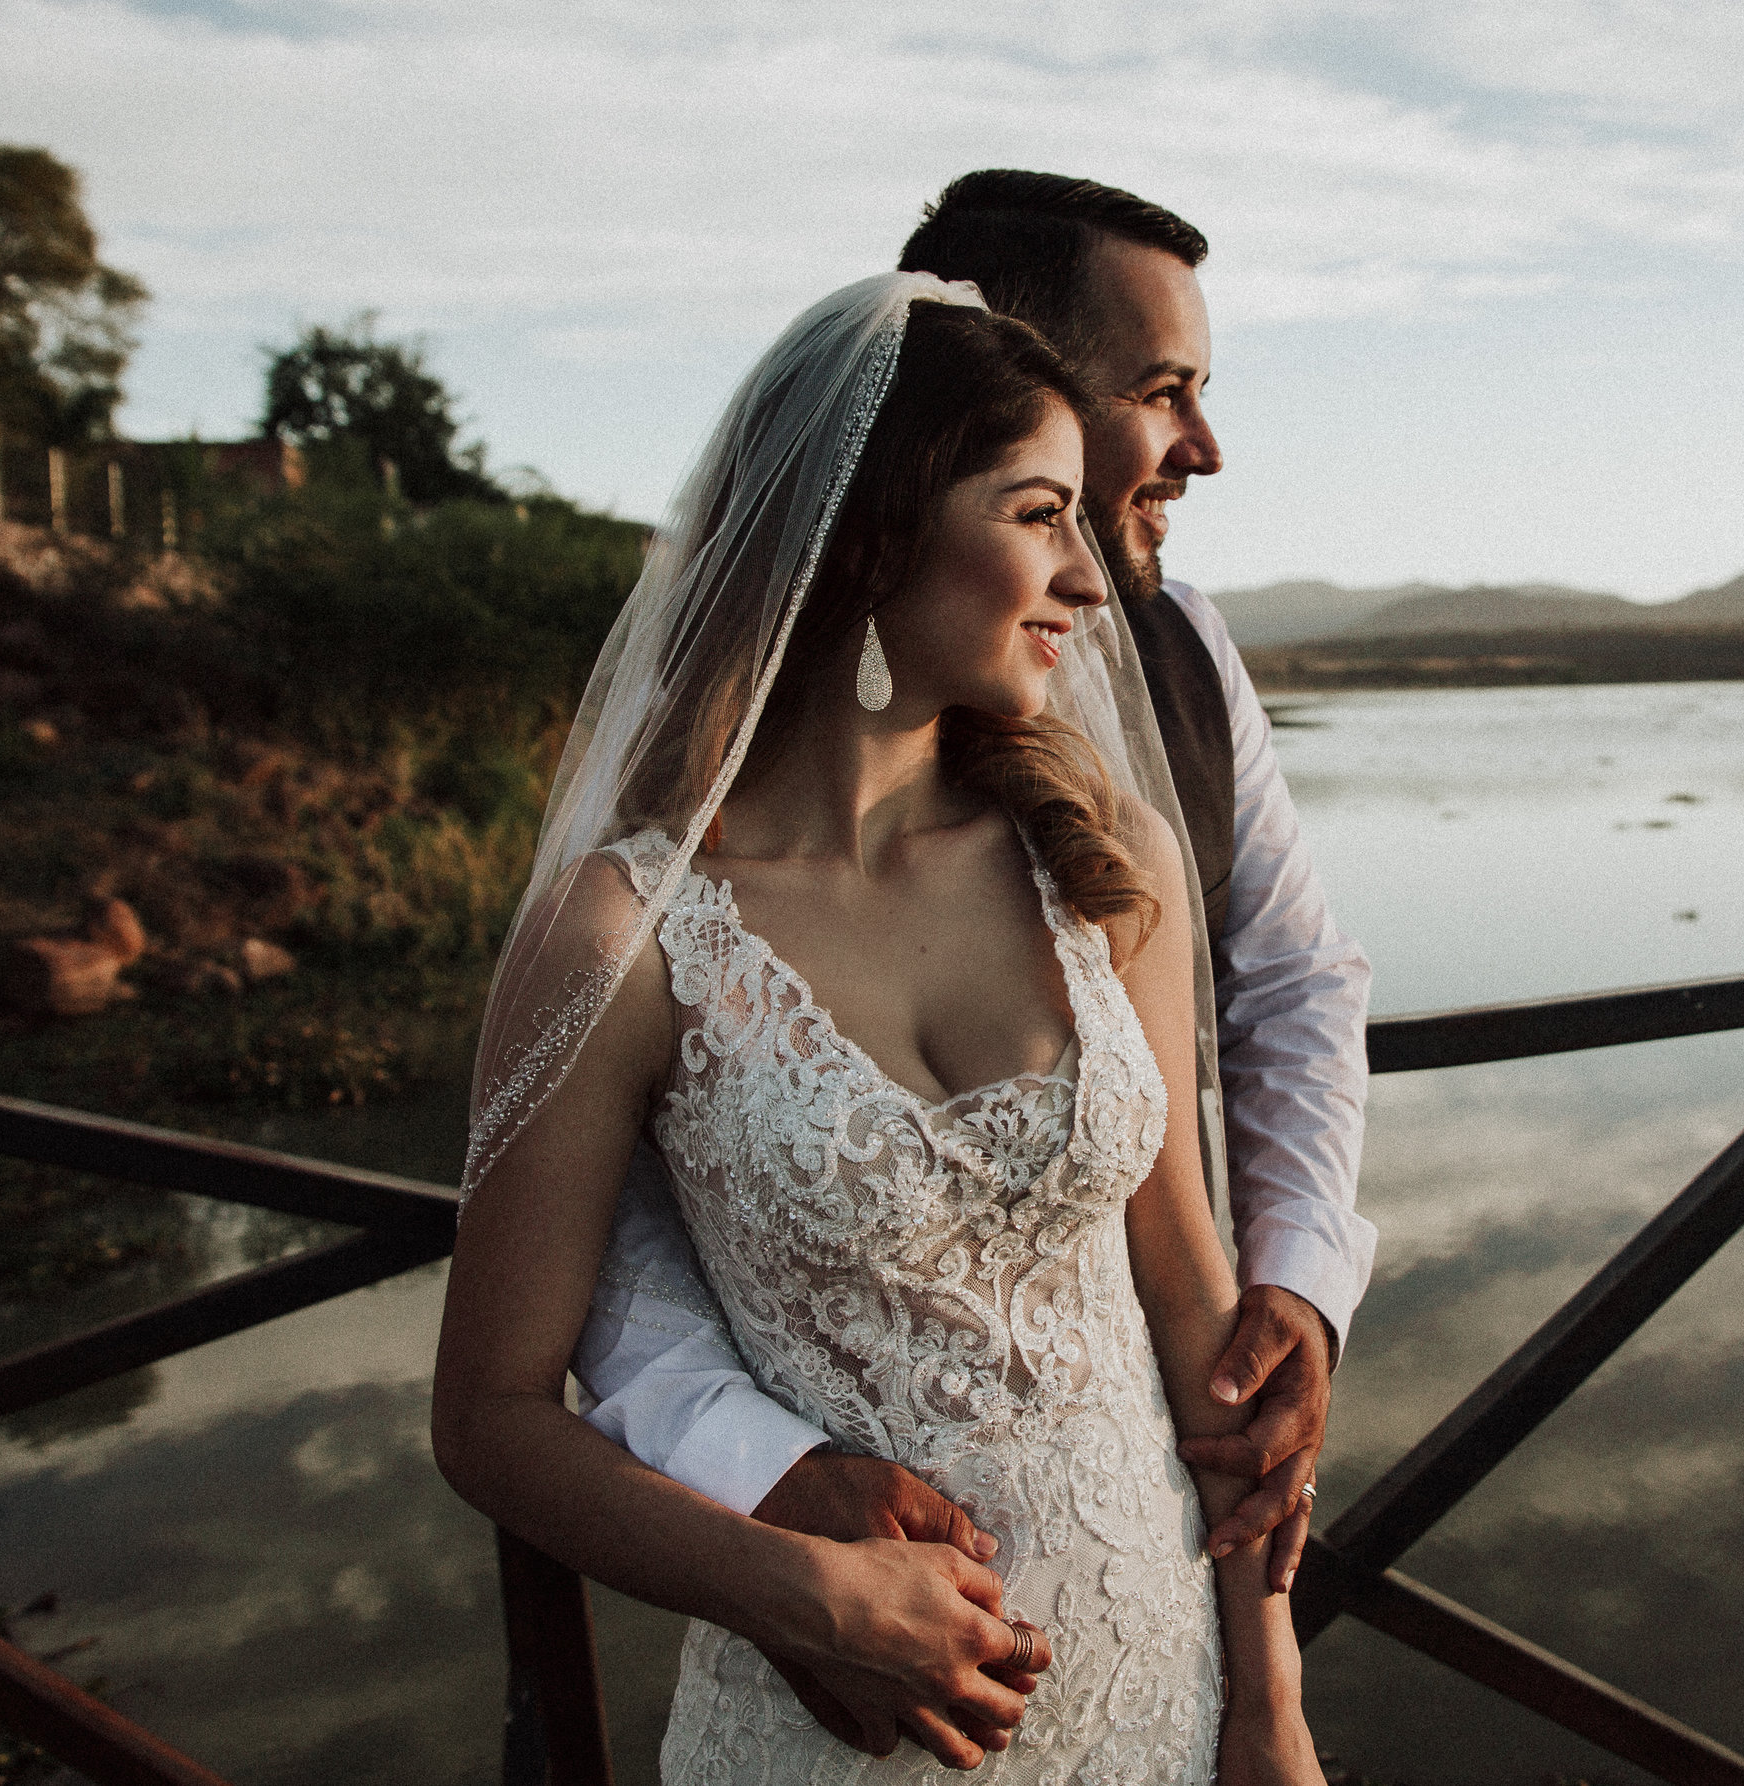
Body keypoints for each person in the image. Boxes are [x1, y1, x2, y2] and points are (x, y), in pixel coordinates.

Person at [435, 273, 1328, 1782]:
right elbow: (491, 1417)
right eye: (1038, 513)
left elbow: (1192, 1315)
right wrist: (795, 1590)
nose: (1088, 582)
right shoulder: (626, 933)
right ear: (873, 531)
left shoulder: (1105, 866)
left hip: (1155, 1687)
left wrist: (1270, 1705)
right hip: (842, 1730)